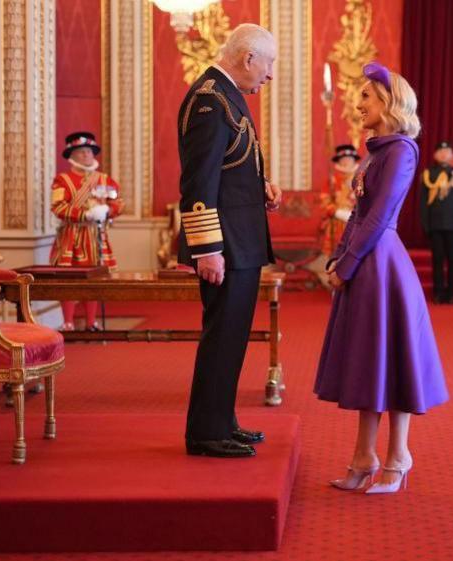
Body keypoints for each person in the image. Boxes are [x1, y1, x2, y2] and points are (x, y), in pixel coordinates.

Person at [315, 61, 448, 494]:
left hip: (382, 265)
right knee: (371, 363)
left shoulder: (402, 151)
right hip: (365, 261)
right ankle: (364, 455)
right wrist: (338, 258)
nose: (358, 104)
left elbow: (379, 217)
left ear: (389, 102)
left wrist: (349, 263)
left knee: (394, 360)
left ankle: (399, 456)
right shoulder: (377, 149)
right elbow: (357, 213)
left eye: (367, 97)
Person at [177, 24, 281, 458]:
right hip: (225, 246)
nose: (270, 75)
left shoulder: (226, 94)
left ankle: (222, 421)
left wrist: (263, 188)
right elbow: (198, 182)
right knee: (222, 337)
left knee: (233, 337)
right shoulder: (209, 100)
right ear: (248, 58)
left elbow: (229, 168)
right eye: (269, 64)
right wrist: (207, 250)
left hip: (240, 240)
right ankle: (206, 433)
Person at [49, 132, 123, 331]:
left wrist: (108, 210)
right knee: (68, 280)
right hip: (71, 236)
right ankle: (68, 322)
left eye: (89, 151)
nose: (86, 155)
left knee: (94, 280)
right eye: (81, 152)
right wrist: (85, 215)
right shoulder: (62, 180)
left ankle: (92, 322)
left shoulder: (105, 179)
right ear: (71, 156)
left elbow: (118, 203)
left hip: (96, 237)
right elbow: (57, 207)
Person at [420, 140, 453, 304]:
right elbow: (423, 203)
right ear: (435, 155)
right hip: (435, 224)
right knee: (437, 259)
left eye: (447, 151)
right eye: (440, 151)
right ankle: (438, 292)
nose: (443, 154)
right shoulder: (428, 174)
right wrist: (426, 224)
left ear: (452, 155)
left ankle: (452, 293)